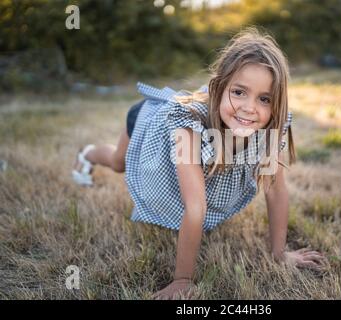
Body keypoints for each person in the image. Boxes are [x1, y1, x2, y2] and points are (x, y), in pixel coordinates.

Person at [72, 27, 326, 299]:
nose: (249, 107)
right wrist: (183, 280)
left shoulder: (269, 128)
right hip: (145, 121)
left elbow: (275, 190)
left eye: (264, 99)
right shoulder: (188, 126)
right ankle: (87, 154)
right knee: (116, 161)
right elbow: (195, 207)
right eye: (239, 92)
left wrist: (279, 254)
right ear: (219, 88)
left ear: (277, 104)